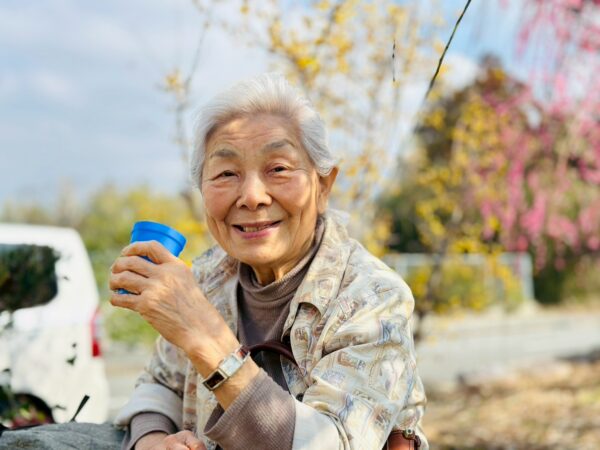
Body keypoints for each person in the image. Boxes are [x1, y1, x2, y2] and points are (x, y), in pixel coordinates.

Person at [110, 73, 427, 450]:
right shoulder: (209, 275)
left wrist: (206, 337)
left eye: (278, 169)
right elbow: (159, 382)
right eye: (226, 173)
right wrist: (152, 440)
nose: (252, 196)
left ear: (323, 186)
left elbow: (334, 442)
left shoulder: (374, 298)